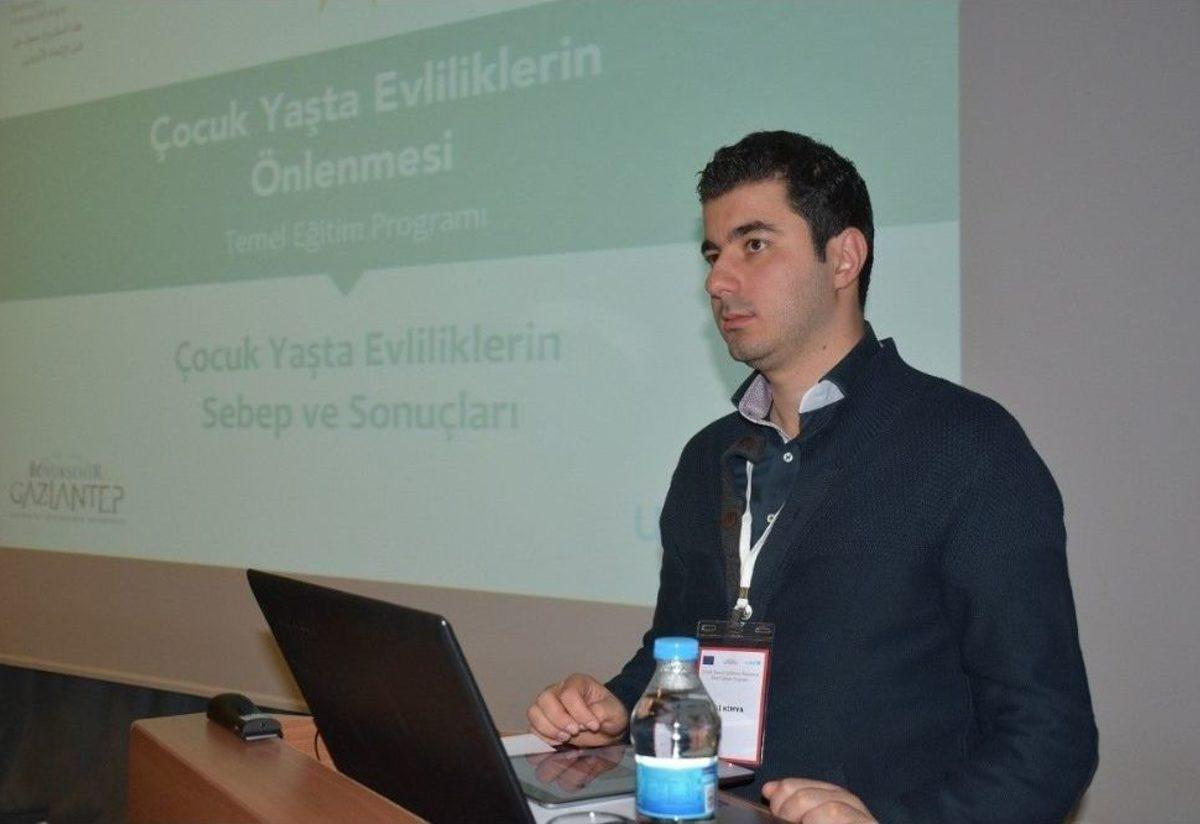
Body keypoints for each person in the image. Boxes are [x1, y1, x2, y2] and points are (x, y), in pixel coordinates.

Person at [527, 131, 1097, 823]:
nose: (718, 281)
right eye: (713, 254)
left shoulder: (968, 447)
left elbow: (1049, 739)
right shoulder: (708, 457)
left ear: (844, 258)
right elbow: (677, 651)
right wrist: (618, 705)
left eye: (754, 244)